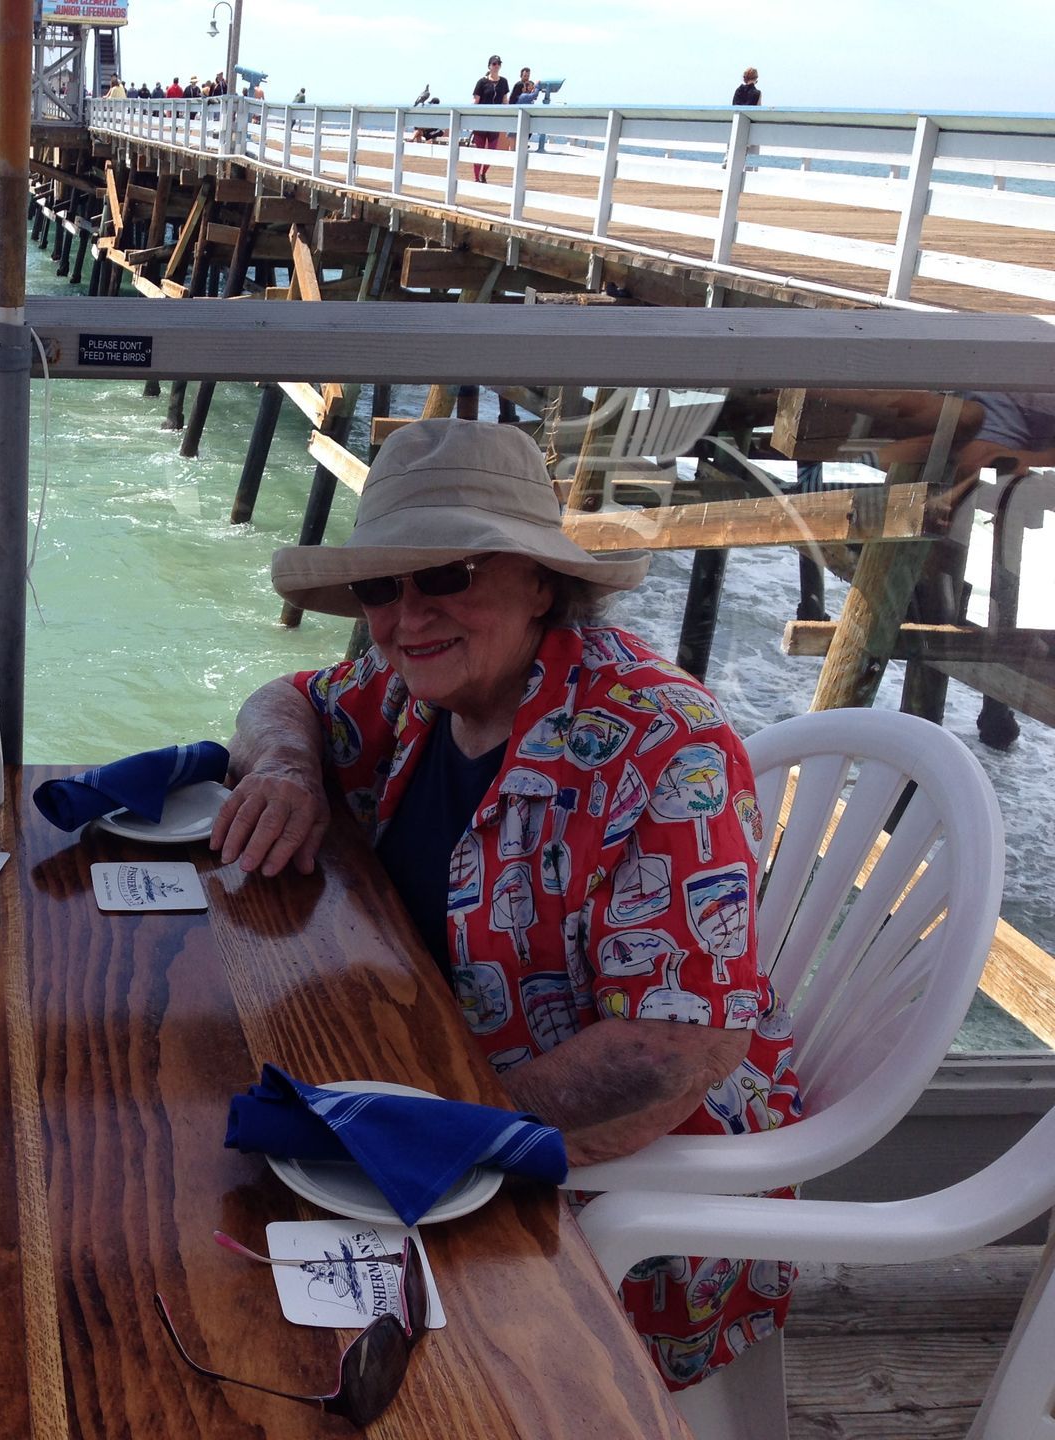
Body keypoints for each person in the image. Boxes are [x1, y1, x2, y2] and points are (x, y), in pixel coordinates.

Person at [210, 420, 801, 1390]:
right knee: (223, 1201)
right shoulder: (416, 693)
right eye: (381, 588)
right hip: (439, 1085)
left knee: (255, 1284)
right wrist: (288, 769)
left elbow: (673, 1053)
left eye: (446, 575)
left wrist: (444, 1131)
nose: (407, 617)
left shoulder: (661, 745)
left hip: (636, 1190)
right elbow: (289, 699)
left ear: (539, 583)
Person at [470, 54, 509, 183]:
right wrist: (470, 118)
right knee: (479, 151)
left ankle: (483, 173)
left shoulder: (503, 82)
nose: (496, 66)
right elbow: (476, 101)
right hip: (481, 122)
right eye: (494, 64)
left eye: (498, 64)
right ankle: (476, 177)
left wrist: (507, 116)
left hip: (495, 122)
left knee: (492, 151)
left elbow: (505, 101)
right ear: (489, 66)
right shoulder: (482, 82)